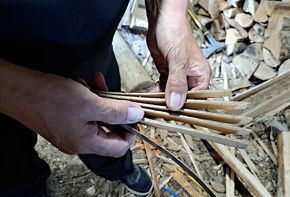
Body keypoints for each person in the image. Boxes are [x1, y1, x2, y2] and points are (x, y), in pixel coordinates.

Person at [0, 0, 211, 196]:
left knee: (110, 131)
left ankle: (119, 168)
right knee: (12, 166)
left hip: (92, 54)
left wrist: (168, 11)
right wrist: (21, 95)